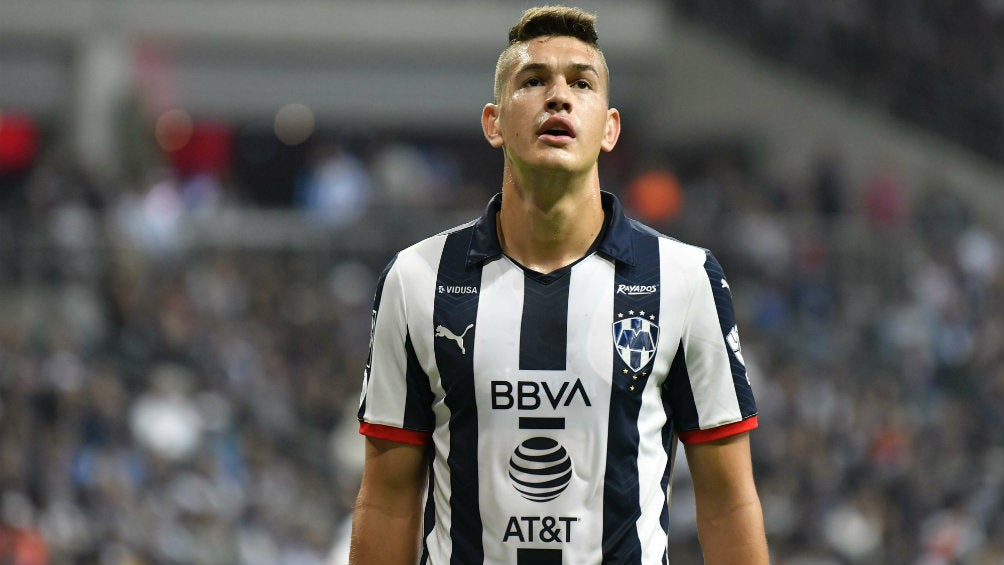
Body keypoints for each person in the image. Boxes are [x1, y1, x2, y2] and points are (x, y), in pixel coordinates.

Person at [350, 6, 769, 565]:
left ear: (610, 128)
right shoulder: (416, 279)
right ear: (494, 123)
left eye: (581, 83)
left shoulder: (684, 279)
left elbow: (727, 502)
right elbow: (387, 500)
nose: (558, 97)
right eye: (533, 81)